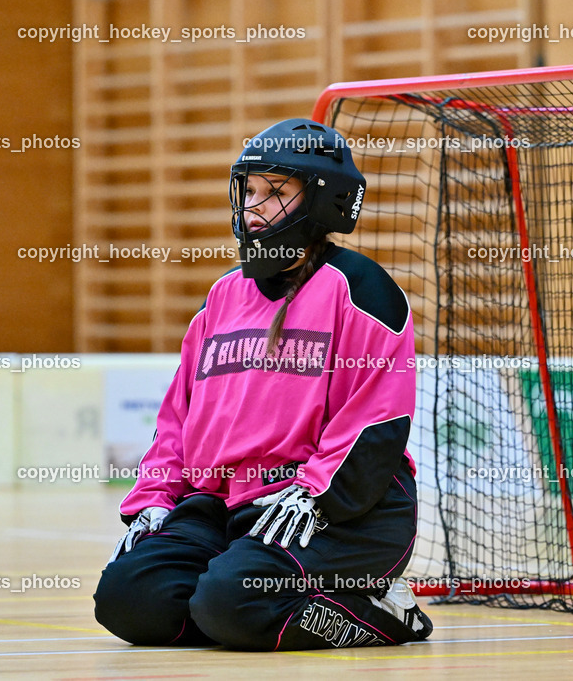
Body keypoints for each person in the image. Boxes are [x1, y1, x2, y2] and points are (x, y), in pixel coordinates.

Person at [93, 119, 431, 651]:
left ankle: (384, 608)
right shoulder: (222, 296)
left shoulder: (361, 289)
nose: (252, 207)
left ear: (323, 202)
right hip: (225, 504)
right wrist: (156, 498)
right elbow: (177, 418)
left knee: (236, 603)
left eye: (273, 192)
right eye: (247, 190)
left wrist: (315, 494)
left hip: (335, 510)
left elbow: (375, 420)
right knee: (131, 600)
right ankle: (235, 596)